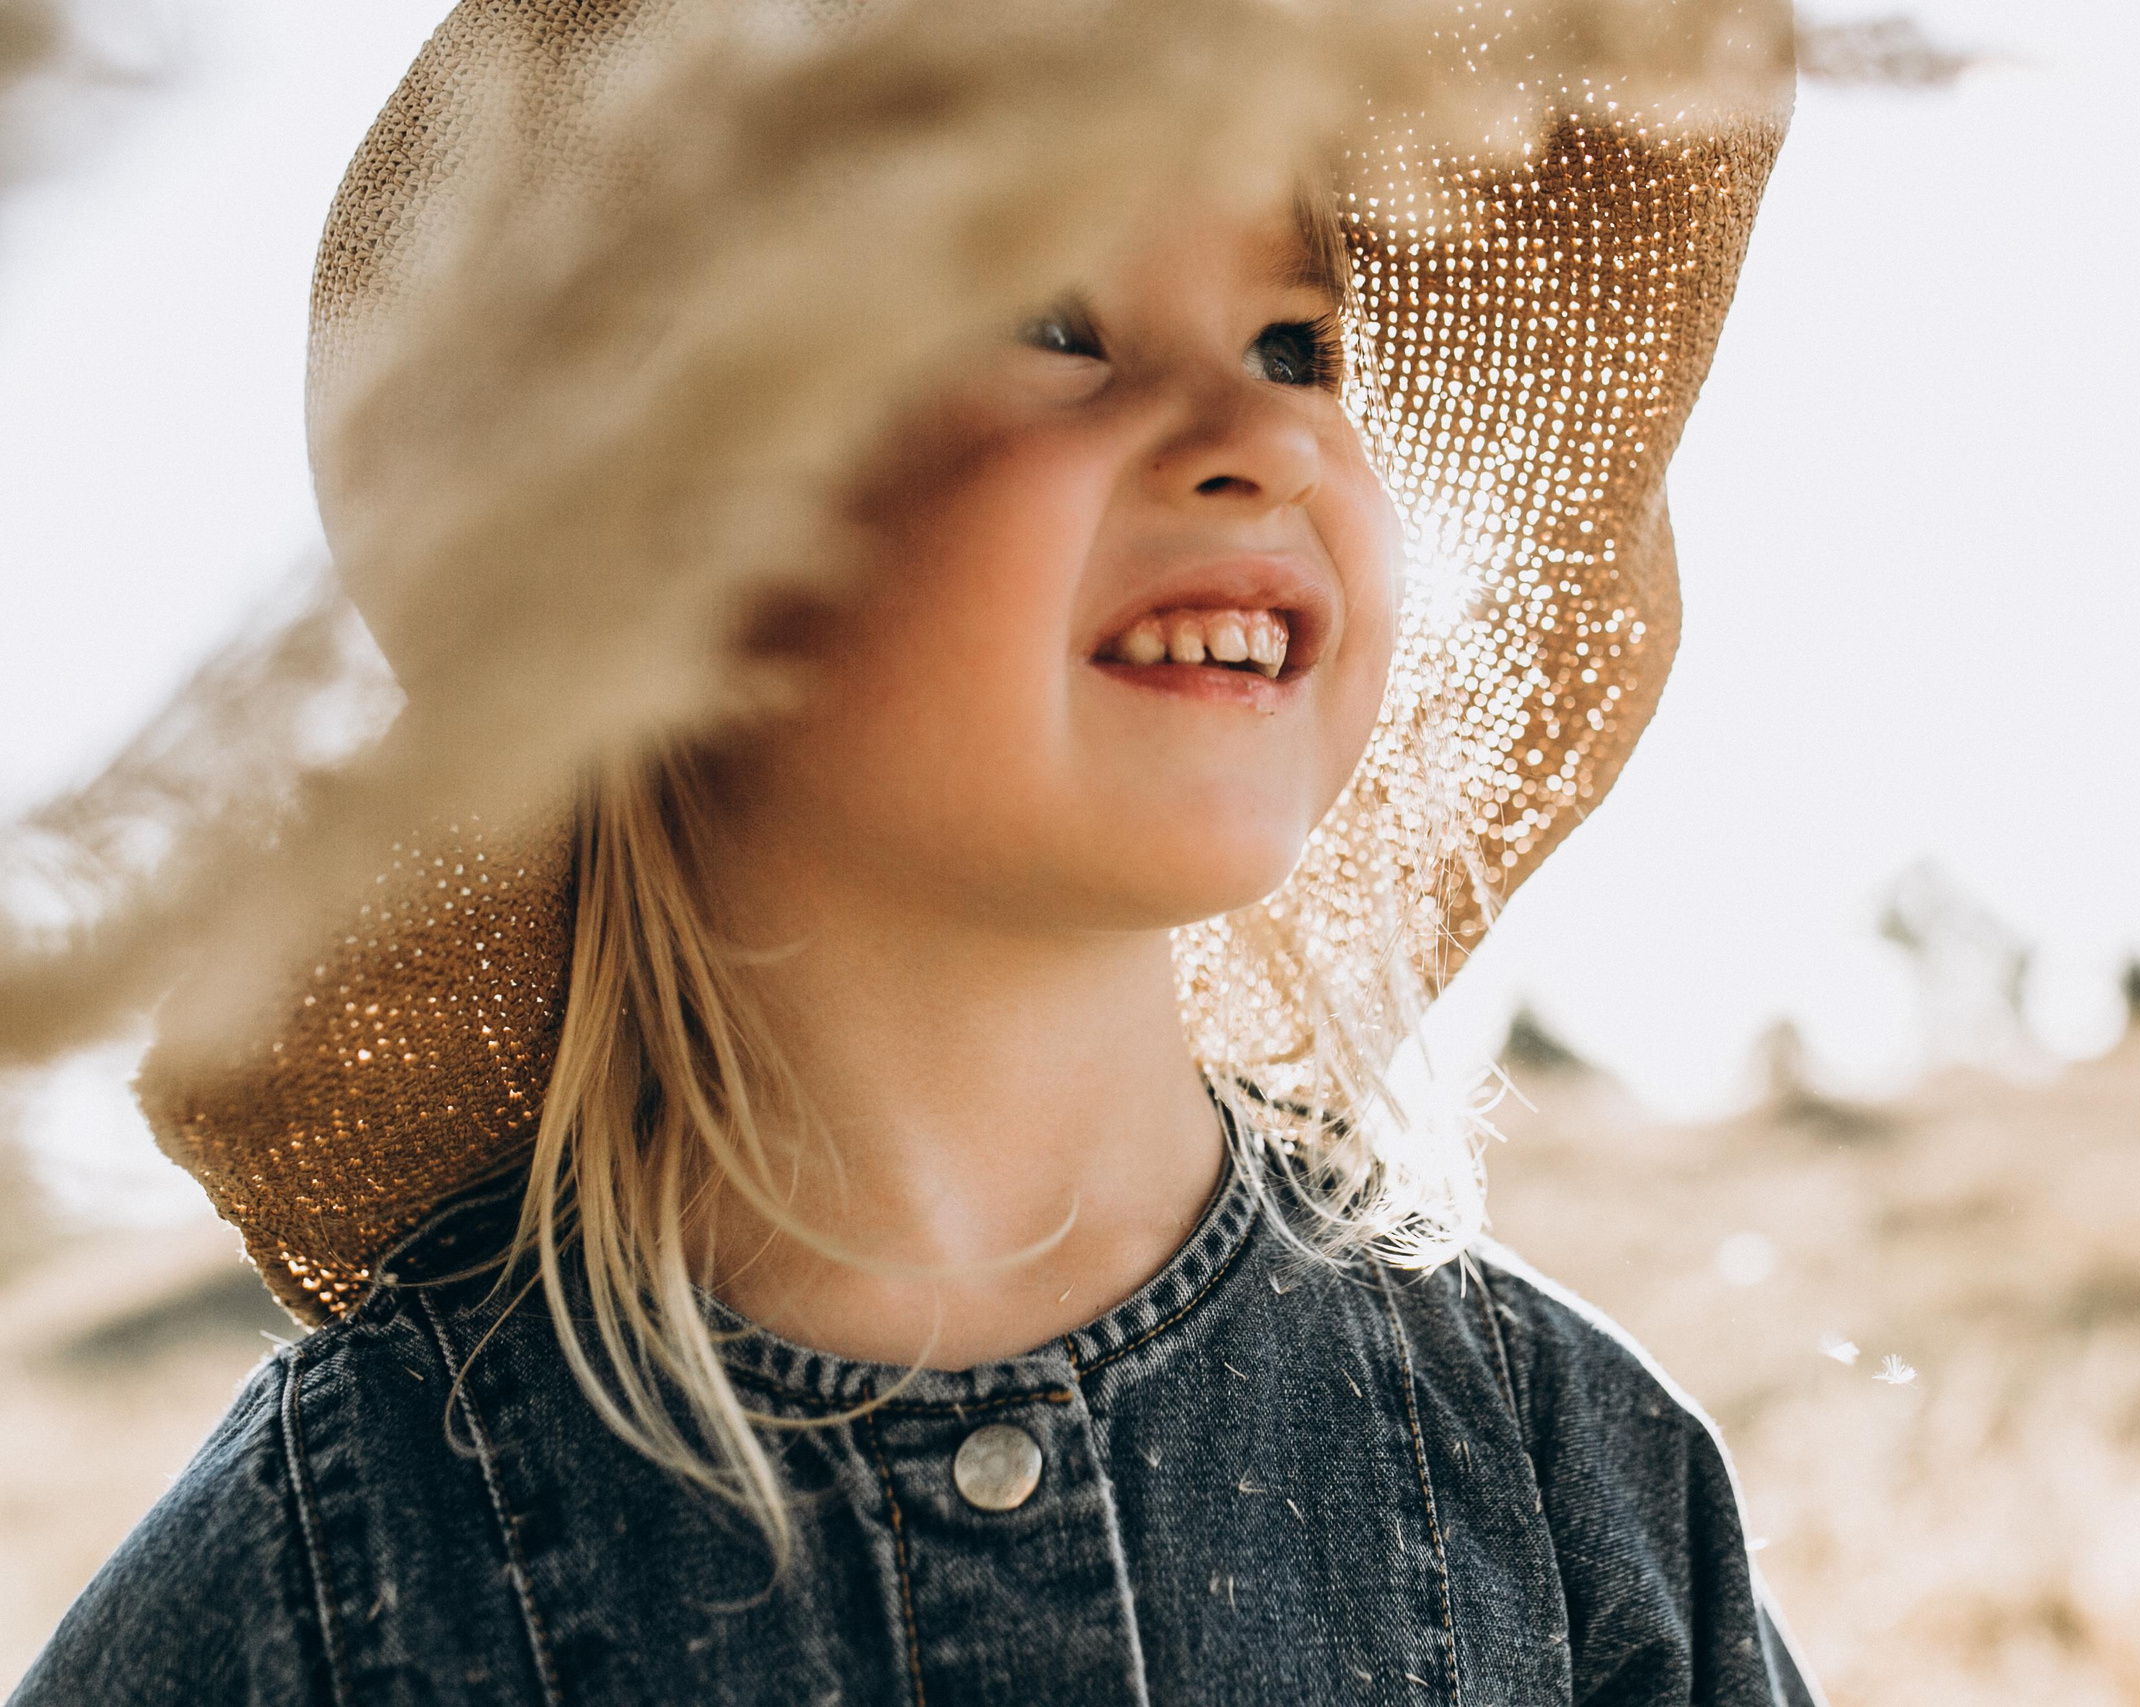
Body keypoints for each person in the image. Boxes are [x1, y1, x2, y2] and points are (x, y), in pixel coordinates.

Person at [12, 2, 1811, 1701]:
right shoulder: (332, 1572)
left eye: (1297, 343)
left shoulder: (1562, 1473)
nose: (1261, 437)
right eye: (1055, 320)